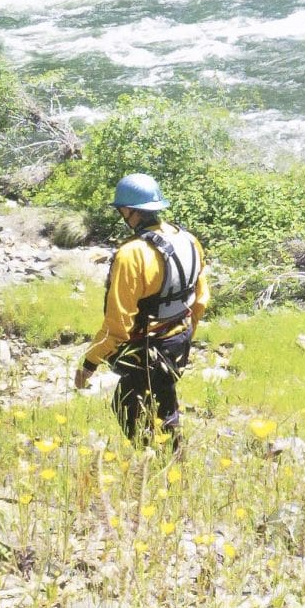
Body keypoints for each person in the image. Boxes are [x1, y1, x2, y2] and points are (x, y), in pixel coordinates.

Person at [74, 173, 209, 454]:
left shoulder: (132, 254)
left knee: (129, 407)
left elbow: (118, 324)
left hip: (148, 347)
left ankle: (157, 468)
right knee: (164, 404)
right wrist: (185, 338)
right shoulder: (189, 240)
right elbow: (200, 300)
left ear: (129, 211)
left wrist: (89, 363)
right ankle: (169, 466)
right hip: (179, 338)